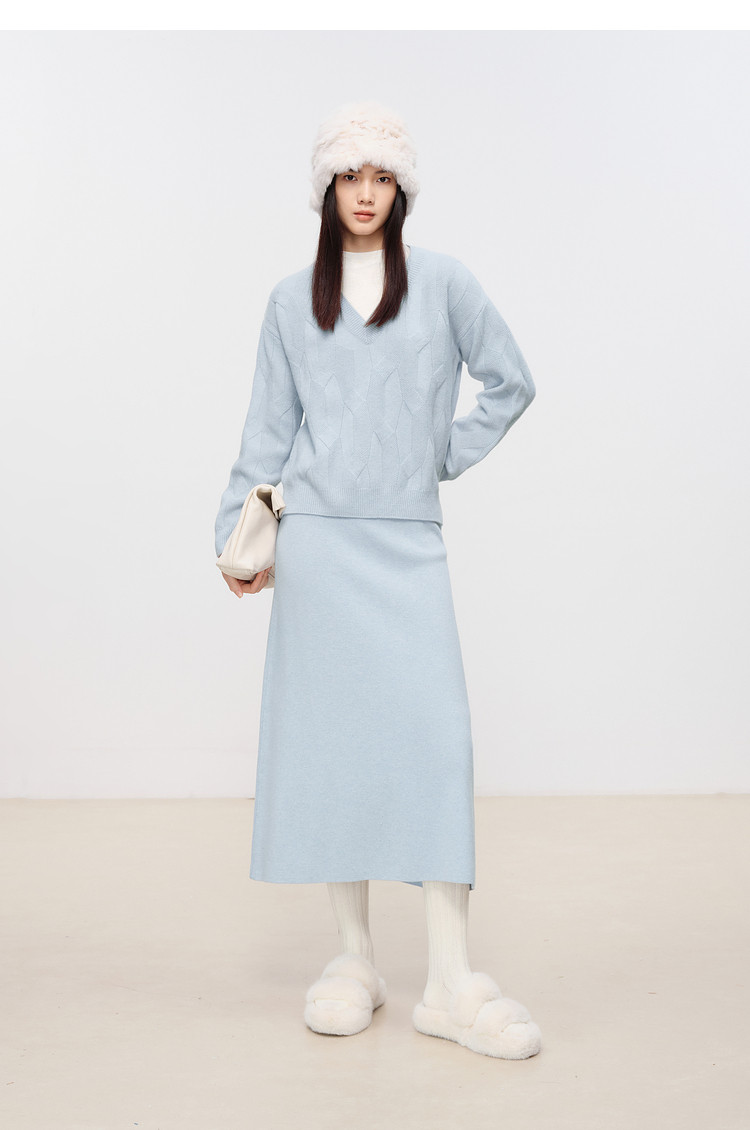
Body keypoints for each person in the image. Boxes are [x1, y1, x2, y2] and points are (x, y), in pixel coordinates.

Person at [214, 100, 541, 1059]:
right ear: (327, 188)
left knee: (436, 743)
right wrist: (236, 541)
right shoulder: (290, 302)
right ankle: (354, 960)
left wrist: (438, 455)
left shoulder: (443, 284)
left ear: (402, 189)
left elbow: (511, 381)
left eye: (383, 176)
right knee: (335, 751)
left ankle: (449, 978)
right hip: (318, 548)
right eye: (350, 176)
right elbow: (266, 431)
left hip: (406, 545)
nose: (366, 193)